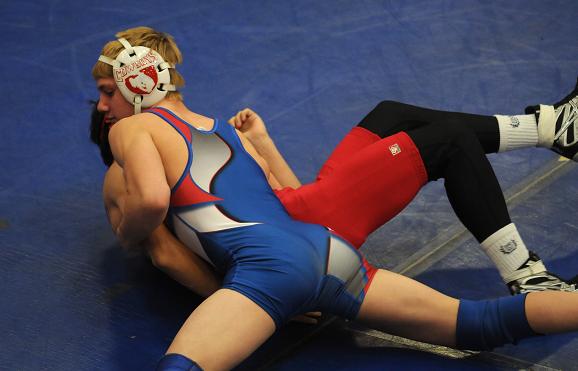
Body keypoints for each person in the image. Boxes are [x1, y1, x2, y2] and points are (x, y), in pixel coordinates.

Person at [91, 27, 578, 370]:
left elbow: (155, 215)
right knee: (478, 322)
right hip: (326, 250)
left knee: (181, 366)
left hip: (271, 271)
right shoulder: (225, 133)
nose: (102, 106)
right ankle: (543, 152)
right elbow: (283, 197)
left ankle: (528, 253)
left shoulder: (131, 134)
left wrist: (126, 231)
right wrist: (264, 144)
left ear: (137, 83)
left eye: (107, 92)